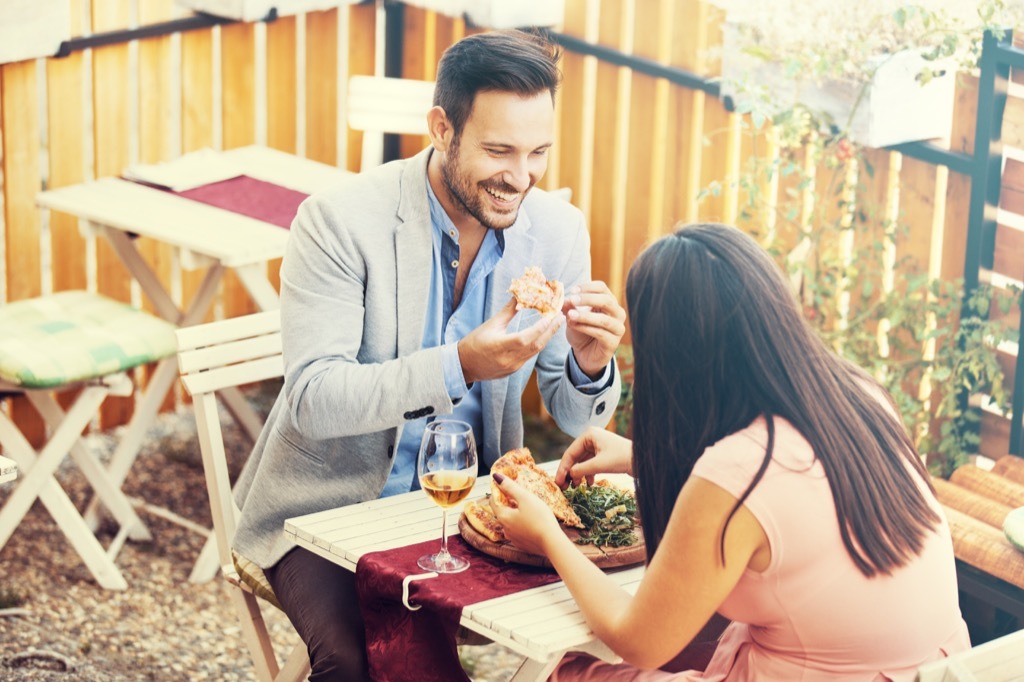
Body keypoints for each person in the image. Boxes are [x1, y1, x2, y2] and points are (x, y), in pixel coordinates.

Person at [230, 29, 625, 681]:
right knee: (360, 666)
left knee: (589, 639)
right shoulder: (337, 221)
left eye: (537, 154)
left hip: (470, 514)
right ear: (443, 129)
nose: (520, 178)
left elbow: (569, 406)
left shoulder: (557, 232)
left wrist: (587, 362)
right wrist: (460, 365)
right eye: (499, 150)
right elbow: (313, 399)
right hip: (327, 512)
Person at [493, 223, 971, 680]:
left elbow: (637, 639)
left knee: (553, 672)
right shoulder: (857, 393)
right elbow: (793, 501)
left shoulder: (737, 474)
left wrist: (548, 536)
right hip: (936, 670)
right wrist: (643, 457)